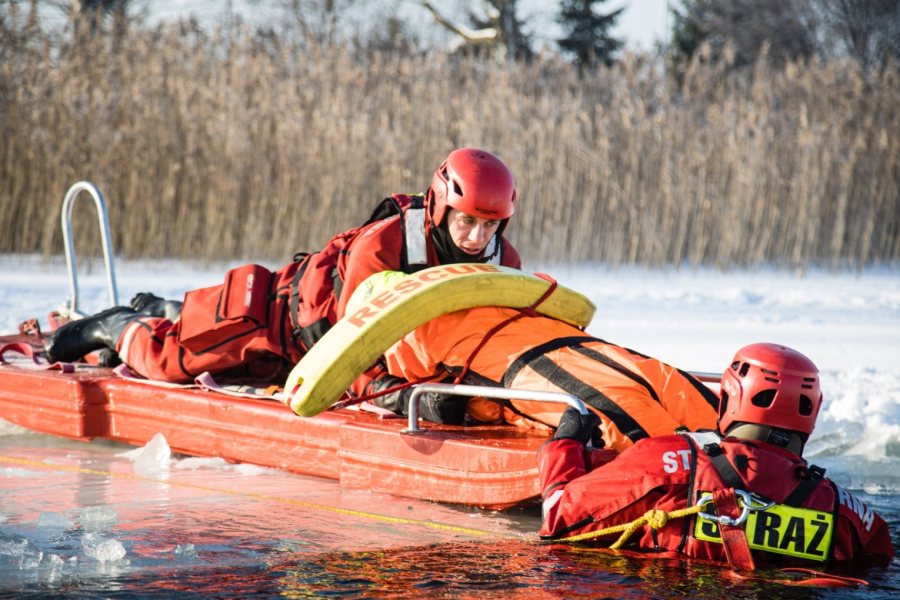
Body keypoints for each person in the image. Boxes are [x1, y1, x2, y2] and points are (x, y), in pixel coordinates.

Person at [44, 148, 522, 386]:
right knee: (168, 361)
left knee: (205, 349)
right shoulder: (385, 244)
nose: (477, 238)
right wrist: (394, 393)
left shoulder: (506, 263)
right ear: (439, 208)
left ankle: (163, 307)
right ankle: (116, 325)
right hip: (280, 324)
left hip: (311, 344)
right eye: (467, 222)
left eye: (490, 226)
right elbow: (352, 345)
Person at [537, 343, 894, 566]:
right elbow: (880, 563)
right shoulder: (847, 513)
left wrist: (564, 443)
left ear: (729, 398)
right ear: (812, 413)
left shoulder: (666, 460)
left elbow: (557, 518)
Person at [351, 278, 720, 450]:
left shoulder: (412, 329)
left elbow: (425, 391)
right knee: (672, 387)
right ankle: (735, 451)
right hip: (590, 349)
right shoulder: (482, 291)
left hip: (533, 368)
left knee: (623, 417)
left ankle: (689, 468)